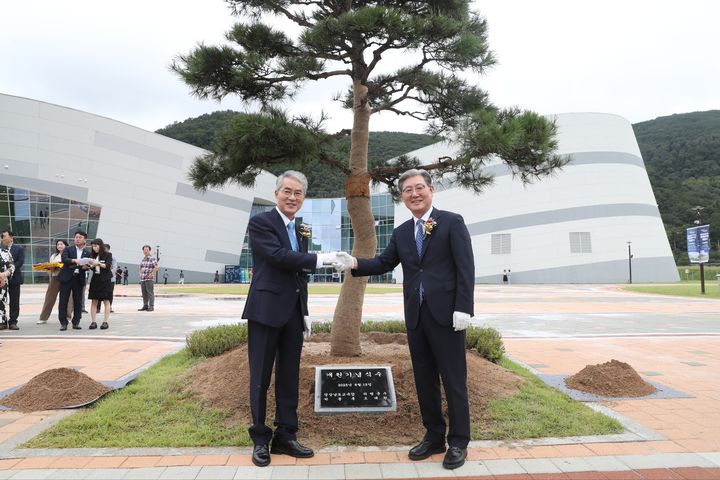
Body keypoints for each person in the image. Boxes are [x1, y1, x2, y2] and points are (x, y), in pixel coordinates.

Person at [335, 168, 474, 470]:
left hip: (448, 315)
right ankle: (434, 435)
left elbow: (466, 268)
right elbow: (385, 263)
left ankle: (459, 441)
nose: (414, 194)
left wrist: (464, 308)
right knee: (424, 379)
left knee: (453, 380)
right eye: (408, 190)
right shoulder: (401, 232)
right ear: (402, 196)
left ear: (431, 190)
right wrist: (355, 262)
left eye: (419, 188)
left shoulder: (451, 222)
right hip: (416, 316)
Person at [241, 170, 343, 467]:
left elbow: (299, 275)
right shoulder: (261, 223)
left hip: (293, 314)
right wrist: (323, 259)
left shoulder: (300, 230)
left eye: (298, 193)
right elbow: (278, 257)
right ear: (276, 193)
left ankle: (286, 435)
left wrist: (306, 311)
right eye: (287, 191)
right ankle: (261, 439)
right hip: (265, 310)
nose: (292, 197)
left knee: (289, 376)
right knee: (260, 376)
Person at [58, 231, 91, 331]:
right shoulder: (68, 249)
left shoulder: (87, 252)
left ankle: (76, 322)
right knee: (63, 301)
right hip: (66, 278)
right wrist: (74, 260)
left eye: (80, 237)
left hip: (79, 279)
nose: (77, 239)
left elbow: (89, 264)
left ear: (85, 240)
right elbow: (64, 259)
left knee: (78, 302)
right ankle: (63, 323)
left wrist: (86, 267)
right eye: (76, 237)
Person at [38, 240, 73, 324]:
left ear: (66, 245)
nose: (59, 246)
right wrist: (44, 266)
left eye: (61, 244)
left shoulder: (70, 254)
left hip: (66, 278)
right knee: (49, 298)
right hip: (55, 278)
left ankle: (68, 317)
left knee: (68, 298)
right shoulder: (54, 256)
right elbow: (50, 268)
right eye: (58, 244)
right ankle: (43, 318)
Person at [1, 230, 24, 331]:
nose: (3, 238)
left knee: (14, 301)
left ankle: (13, 321)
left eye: (4, 236)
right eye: (1, 236)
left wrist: (9, 271)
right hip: (2, 279)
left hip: (14, 278)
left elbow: (20, 262)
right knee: (1, 300)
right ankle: (2, 321)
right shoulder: (1, 249)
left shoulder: (18, 249)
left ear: (11, 237)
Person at [87, 238, 113, 330]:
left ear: (100, 246)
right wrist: (91, 265)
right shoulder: (91, 255)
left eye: (96, 246)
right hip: (95, 280)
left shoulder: (108, 254)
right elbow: (90, 267)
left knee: (106, 300)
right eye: (93, 246)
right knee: (94, 300)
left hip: (105, 280)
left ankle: (105, 322)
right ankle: (93, 322)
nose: (94, 248)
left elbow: (107, 266)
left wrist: (97, 263)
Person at [97, 244, 117, 314]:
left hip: (110, 279)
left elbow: (114, 269)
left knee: (109, 293)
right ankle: (97, 308)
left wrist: (106, 274)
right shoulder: (99, 257)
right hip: (100, 279)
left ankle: (109, 307)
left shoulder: (112, 258)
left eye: (104, 249)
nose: (103, 250)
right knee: (99, 293)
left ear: (108, 249)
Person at [138, 245, 159, 312]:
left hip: (149, 279)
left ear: (149, 250)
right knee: (144, 293)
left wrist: (152, 273)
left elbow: (156, 267)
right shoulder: (143, 259)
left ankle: (151, 306)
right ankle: (145, 305)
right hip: (143, 279)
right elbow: (140, 268)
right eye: (144, 250)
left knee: (150, 293)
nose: (145, 251)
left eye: (147, 250)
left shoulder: (152, 258)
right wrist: (141, 271)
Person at [0, 244, 15, 329]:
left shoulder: (5, 252)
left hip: (2, 280)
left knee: (1, 301)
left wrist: (5, 274)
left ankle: (2, 321)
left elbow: (12, 266)